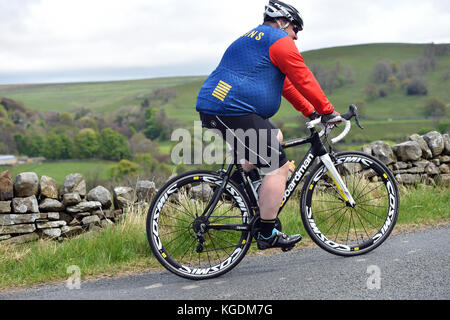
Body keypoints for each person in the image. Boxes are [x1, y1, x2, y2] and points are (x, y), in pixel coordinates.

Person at [196, 0, 340, 250]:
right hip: (231, 111)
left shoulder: (252, 39)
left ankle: (245, 182)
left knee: (276, 136)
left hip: (221, 108)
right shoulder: (278, 41)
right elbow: (303, 79)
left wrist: (310, 110)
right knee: (278, 168)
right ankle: (267, 232)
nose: (296, 37)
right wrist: (328, 111)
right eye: (295, 29)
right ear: (283, 22)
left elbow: (286, 86)